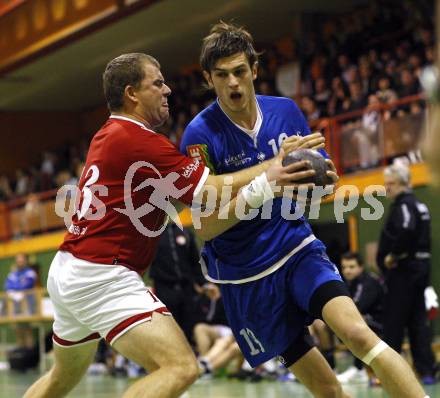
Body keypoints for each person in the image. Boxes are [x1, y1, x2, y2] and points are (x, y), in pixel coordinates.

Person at [24, 53, 315, 398]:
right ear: (132, 93)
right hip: (102, 274)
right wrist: (273, 168)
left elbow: (181, 196)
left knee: (62, 376)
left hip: (69, 269)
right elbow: (207, 190)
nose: (168, 90)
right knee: (180, 367)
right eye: (158, 83)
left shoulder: (109, 134)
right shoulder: (138, 140)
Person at [180, 21, 429, 398]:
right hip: (246, 277)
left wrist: (320, 177)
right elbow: (205, 227)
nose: (233, 83)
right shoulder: (199, 136)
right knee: (327, 389)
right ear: (208, 79)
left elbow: (327, 187)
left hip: (296, 249)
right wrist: (269, 182)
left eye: (240, 72)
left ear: (255, 71)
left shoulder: (286, 112)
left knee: (359, 334)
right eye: (222, 75)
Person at [377, 162, 437, 384]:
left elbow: (406, 228)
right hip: (420, 269)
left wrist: (393, 254)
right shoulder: (419, 205)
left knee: (394, 321)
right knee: (417, 321)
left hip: (405, 271)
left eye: (391, 184)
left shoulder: (404, 205)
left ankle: (390, 374)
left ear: (403, 183)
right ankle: (427, 371)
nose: (387, 189)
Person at [148, 222, 208, 343]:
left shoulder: (185, 232)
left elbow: (195, 262)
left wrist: (203, 284)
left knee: (190, 327)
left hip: (187, 289)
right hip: (164, 289)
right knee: (168, 329)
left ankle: (192, 357)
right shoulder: (150, 234)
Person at [337, 252, 385, 384]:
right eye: (344, 267)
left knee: (355, 322)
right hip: (365, 319)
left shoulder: (369, 282)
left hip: (380, 323)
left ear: (361, 267)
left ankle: (359, 369)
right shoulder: (347, 282)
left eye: (351, 267)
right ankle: (331, 367)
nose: (347, 270)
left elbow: (358, 308)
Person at [4, 253, 38, 348]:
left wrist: (16, 286)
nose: (19, 262)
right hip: (15, 306)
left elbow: (27, 285)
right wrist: (18, 285)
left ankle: (30, 354)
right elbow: (7, 286)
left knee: (27, 330)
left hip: (27, 306)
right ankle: (21, 353)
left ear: (25, 261)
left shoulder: (30, 273)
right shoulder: (12, 274)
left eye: (21, 260)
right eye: (18, 260)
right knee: (18, 330)